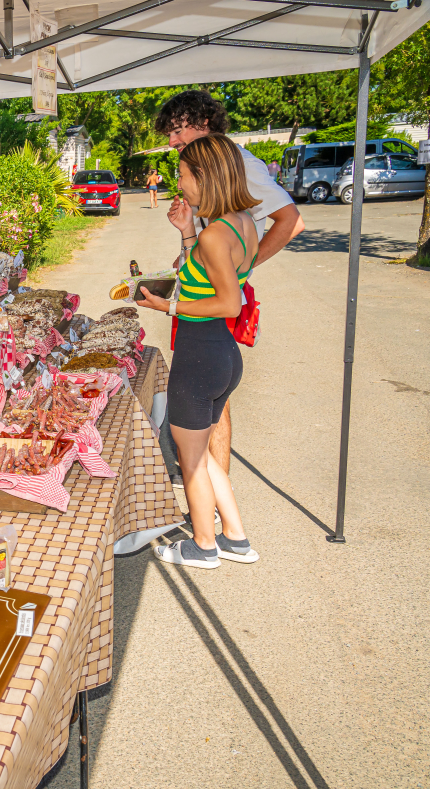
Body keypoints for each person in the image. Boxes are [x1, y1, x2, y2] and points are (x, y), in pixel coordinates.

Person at [153, 90, 304, 483]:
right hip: (204, 290)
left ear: (203, 123)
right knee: (207, 399)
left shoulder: (238, 162)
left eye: (176, 130)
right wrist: (193, 250)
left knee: (208, 398)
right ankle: (213, 498)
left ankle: (212, 500)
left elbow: (291, 221)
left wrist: (235, 272)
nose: (171, 142)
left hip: (215, 299)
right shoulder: (206, 164)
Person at [137, 134, 260, 569]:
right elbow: (203, 275)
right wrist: (188, 231)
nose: (180, 183)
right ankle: (236, 537)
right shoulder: (239, 223)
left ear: (205, 176)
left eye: (184, 175)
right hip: (222, 357)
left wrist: (164, 305)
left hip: (200, 356)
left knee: (190, 462)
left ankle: (203, 546)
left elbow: (228, 302)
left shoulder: (216, 235)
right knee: (206, 456)